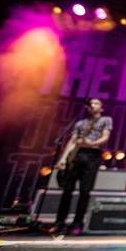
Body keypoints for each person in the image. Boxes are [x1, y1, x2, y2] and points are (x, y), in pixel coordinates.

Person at [49, 98, 113, 235]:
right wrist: (63, 159)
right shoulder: (80, 123)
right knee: (67, 190)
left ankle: (77, 224)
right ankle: (59, 222)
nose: (92, 105)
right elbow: (72, 142)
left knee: (85, 191)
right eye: (91, 103)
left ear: (101, 108)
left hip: (93, 155)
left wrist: (91, 143)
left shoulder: (106, 120)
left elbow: (105, 137)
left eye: (96, 103)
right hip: (77, 155)